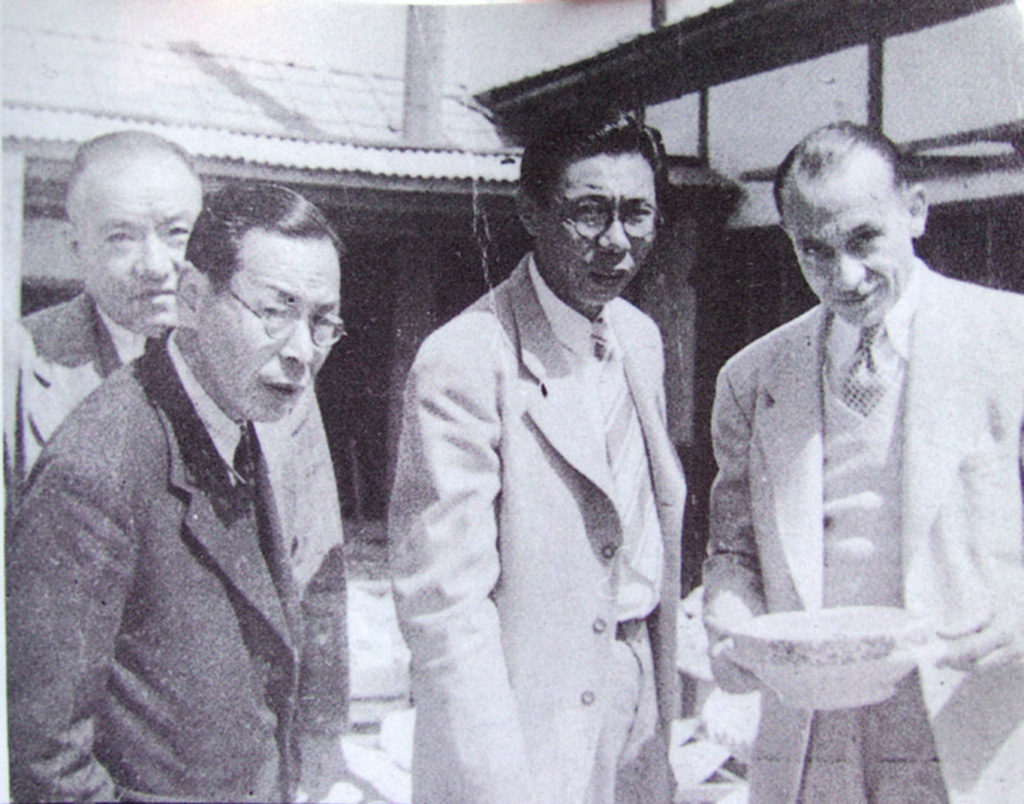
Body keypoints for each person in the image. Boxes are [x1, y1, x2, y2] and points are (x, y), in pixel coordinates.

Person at [702, 121, 1024, 804]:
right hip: (811, 736)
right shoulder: (752, 377)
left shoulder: (1010, 341)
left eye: (864, 239)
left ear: (916, 210)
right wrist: (730, 619)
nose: (844, 276)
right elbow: (732, 550)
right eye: (814, 250)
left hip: (976, 719)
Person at [7, 182, 349, 803]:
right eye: (275, 312)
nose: (302, 351)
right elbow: (46, 759)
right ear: (192, 297)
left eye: (322, 322)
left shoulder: (241, 414)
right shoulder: (96, 470)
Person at [389, 113, 687, 804]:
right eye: (590, 212)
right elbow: (446, 605)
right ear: (531, 211)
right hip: (522, 716)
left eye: (637, 214)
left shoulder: (639, 338)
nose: (616, 241)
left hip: (637, 689)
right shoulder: (465, 357)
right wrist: (498, 781)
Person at [11, 129, 342, 594]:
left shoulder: (271, 361)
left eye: (176, 233)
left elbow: (317, 576)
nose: (155, 264)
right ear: (75, 247)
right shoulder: (14, 367)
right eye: (120, 237)